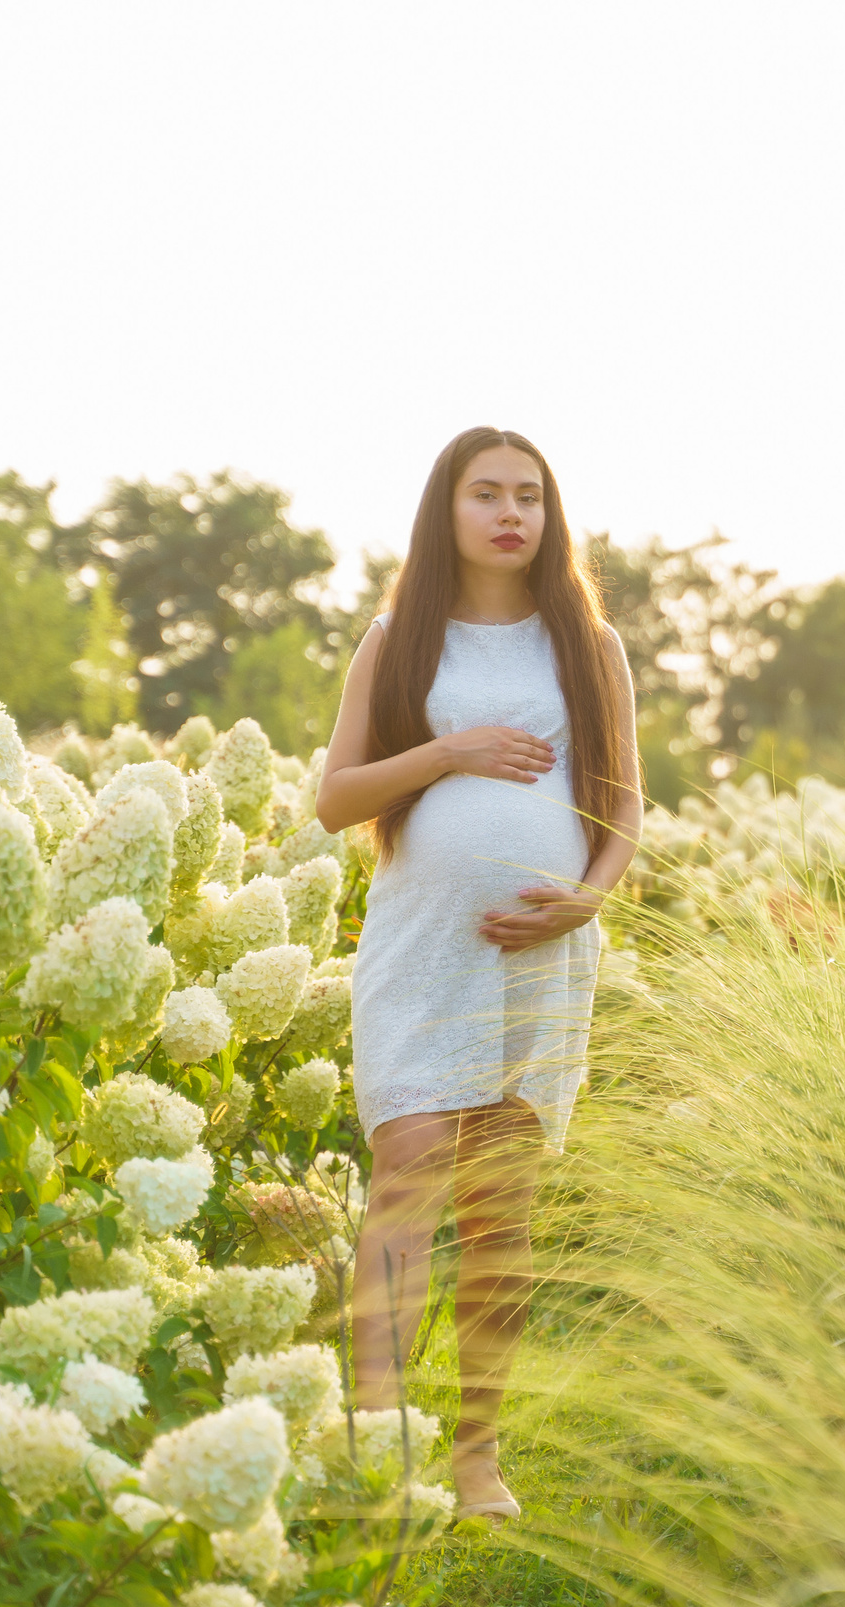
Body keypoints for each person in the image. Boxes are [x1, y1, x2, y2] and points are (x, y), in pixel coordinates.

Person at [316, 426, 639, 1522]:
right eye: (487, 494)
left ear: (550, 516)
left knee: (502, 1208)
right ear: (445, 510)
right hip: (420, 948)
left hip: (541, 956)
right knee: (406, 1170)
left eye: (529, 497)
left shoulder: (587, 643)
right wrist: (449, 752)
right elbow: (337, 798)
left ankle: (475, 1458)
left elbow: (622, 803)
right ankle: (375, 1448)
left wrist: (589, 899)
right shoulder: (397, 640)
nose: (511, 514)